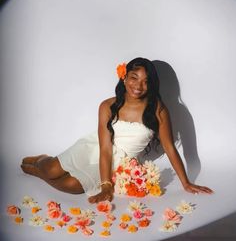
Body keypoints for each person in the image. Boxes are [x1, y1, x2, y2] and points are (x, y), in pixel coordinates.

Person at [21, 57, 213, 203]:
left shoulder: (159, 110)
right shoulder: (106, 106)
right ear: (124, 78)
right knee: (52, 169)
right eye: (134, 78)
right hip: (95, 148)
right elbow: (105, 148)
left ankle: (38, 173)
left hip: (121, 162)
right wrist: (105, 186)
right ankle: (41, 161)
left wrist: (186, 183)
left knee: (72, 186)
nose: (138, 86)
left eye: (145, 81)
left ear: (151, 84)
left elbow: (170, 148)